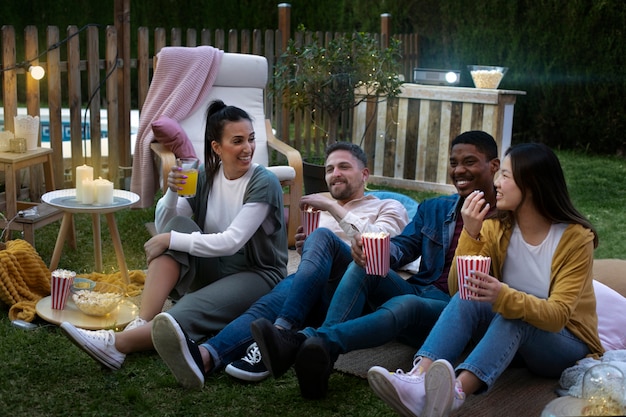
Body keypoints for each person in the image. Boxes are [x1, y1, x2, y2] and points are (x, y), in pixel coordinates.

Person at [251, 131, 501, 399]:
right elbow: (403, 247)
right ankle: (321, 358)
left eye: (470, 161)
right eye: (453, 163)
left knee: (405, 305)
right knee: (365, 265)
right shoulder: (436, 208)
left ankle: (307, 341)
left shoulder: (504, 216)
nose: (459, 170)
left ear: (494, 166)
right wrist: (374, 251)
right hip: (419, 290)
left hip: (455, 310)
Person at [149, 141, 409, 389]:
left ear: (364, 174)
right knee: (265, 305)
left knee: (320, 239)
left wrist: (332, 209)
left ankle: (280, 333)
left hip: (356, 289)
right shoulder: (319, 212)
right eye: (330, 169)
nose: (335, 174)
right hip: (312, 284)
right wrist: (307, 250)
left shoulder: (389, 206)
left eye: (343, 167)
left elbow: (380, 243)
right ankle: (206, 356)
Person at [368, 143, 602, 417]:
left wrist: (502, 296)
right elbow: (459, 290)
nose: (496, 182)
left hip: (564, 344)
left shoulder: (575, 238)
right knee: (472, 298)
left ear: (532, 183)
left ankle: (455, 392)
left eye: (505, 175)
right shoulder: (497, 227)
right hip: (512, 341)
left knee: (512, 315)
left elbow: (558, 316)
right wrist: (471, 233)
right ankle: (418, 378)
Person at [59, 100, 288, 370]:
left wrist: (171, 239)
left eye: (250, 139)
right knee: (179, 224)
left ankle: (117, 345)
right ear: (217, 147)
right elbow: (168, 223)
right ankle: (143, 321)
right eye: (237, 141)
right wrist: (172, 192)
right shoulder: (204, 175)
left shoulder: (263, 182)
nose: (247, 148)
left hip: (257, 275)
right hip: (214, 267)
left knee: (189, 308)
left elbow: (232, 241)